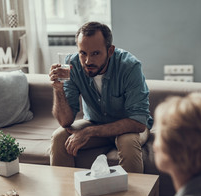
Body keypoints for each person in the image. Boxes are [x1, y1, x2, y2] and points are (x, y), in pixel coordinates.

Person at [49, 22, 153, 173]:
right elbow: (65, 121)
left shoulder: (130, 67)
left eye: (95, 53)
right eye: (83, 53)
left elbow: (138, 122)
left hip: (129, 127)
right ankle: (66, 194)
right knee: (59, 137)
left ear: (110, 51)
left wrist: (89, 132)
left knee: (128, 144)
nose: (88, 61)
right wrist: (58, 89)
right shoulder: (73, 65)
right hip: (94, 121)